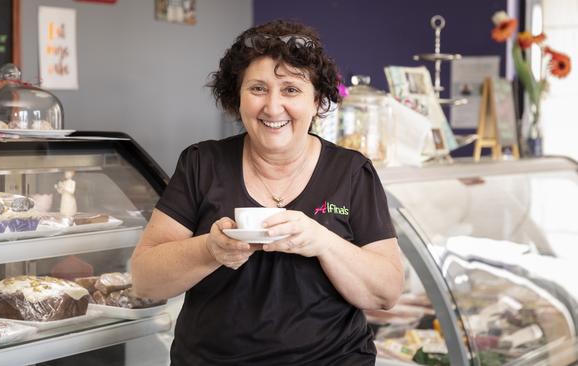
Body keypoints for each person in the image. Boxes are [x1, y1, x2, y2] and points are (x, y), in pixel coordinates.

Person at [131, 19, 404, 365]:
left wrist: (323, 242)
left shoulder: (350, 172)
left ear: (317, 100)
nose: (273, 107)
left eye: (291, 89)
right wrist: (211, 249)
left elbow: (386, 292)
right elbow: (144, 280)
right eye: (258, 88)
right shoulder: (203, 163)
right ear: (237, 97)